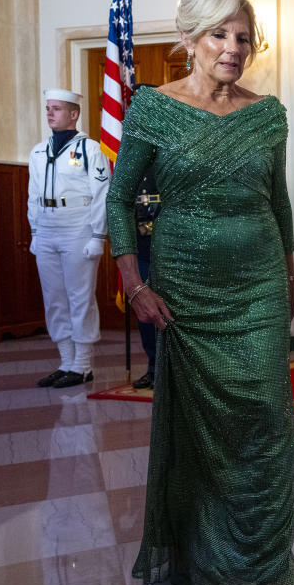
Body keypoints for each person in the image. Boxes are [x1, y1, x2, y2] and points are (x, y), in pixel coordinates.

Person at [106, 0, 294, 585]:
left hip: (257, 287)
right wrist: (134, 280)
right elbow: (119, 200)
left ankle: (275, 579)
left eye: (243, 36)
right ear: (188, 40)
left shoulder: (268, 112)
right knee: (198, 430)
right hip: (184, 290)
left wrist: (289, 269)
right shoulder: (152, 110)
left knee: (269, 422)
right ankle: (199, 555)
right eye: (220, 34)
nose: (233, 47)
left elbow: (277, 201)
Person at [28, 88, 110, 388]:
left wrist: (98, 235)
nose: (50, 113)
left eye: (57, 109)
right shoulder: (38, 151)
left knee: (80, 298)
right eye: (48, 108)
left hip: (78, 228)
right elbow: (32, 195)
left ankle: (83, 364)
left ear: (74, 114)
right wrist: (35, 231)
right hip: (47, 229)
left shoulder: (90, 150)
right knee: (54, 300)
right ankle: (65, 361)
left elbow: (102, 194)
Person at [130, 84, 162, 390]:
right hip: (140, 245)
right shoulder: (132, 152)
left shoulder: (170, 147)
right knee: (144, 311)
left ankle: (171, 369)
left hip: (171, 249)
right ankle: (152, 365)